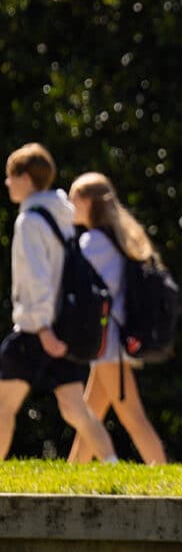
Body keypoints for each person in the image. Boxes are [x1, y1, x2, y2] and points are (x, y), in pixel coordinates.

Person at [0, 144, 118, 463]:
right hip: (62, 326)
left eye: (11, 176)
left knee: (3, 405)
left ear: (25, 178)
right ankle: (111, 464)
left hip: (36, 329)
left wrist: (40, 328)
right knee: (75, 408)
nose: (7, 183)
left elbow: (36, 278)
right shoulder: (62, 217)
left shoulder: (29, 222)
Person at [65, 173, 167, 465]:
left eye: (73, 199)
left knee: (133, 418)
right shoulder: (116, 238)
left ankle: (165, 476)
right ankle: (71, 476)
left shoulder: (95, 242)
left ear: (87, 202)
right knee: (89, 416)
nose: (70, 206)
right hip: (115, 342)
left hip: (109, 345)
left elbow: (67, 275)